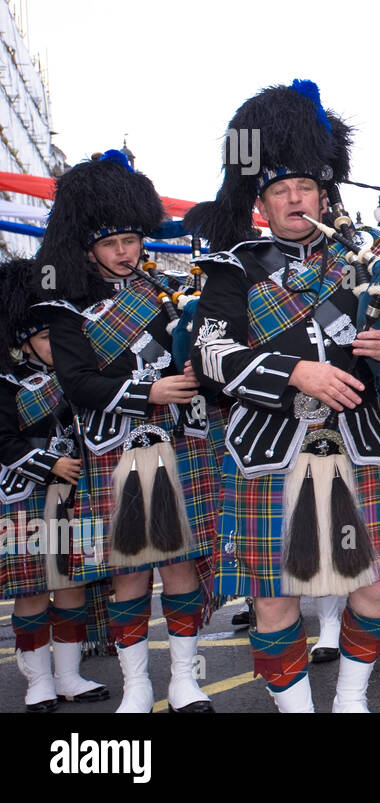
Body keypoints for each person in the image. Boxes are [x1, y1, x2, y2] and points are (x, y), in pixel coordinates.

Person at [188, 80, 380, 712]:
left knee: (377, 590)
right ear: (263, 202)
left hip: (358, 444)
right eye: (279, 191)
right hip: (267, 448)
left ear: (324, 192)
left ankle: (351, 701)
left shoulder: (368, 260)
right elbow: (208, 357)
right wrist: (293, 373)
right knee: (274, 596)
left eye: (303, 188)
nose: (292, 200)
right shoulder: (233, 269)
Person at [35, 150, 222, 714]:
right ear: (87, 245)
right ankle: (138, 685)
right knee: (128, 574)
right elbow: (77, 385)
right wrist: (150, 392)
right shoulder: (65, 308)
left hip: (174, 441)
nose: (125, 253)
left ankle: (184, 679)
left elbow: (188, 362)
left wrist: (195, 372)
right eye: (112, 244)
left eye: (132, 241)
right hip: (112, 449)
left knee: (181, 563)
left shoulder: (163, 296)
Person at [0, 258, 111, 711]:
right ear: (24, 342)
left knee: (71, 586)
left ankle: (69, 676)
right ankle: (36, 683)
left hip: (73, 496)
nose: (55, 343)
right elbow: (3, 441)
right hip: (24, 495)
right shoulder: (6, 382)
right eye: (45, 337)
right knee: (30, 592)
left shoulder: (78, 375)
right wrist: (49, 465)